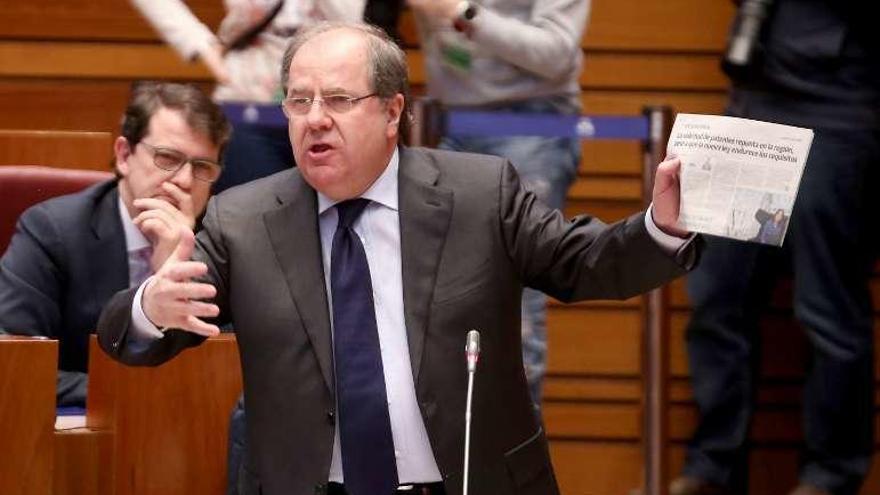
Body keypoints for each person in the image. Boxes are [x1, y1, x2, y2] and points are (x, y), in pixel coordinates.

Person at [97, 22, 698, 495]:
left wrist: (662, 227)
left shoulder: (478, 194)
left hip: (465, 483)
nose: (314, 120)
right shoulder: (243, 219)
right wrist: (153, 303)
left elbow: (586, 263)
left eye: (337, 99)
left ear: (392, 112)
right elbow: (129, 338)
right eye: (298, 101)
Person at [674, 1, 880, 494]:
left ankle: (830, 475)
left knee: (825, 309)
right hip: (753, 101)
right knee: (716, 299)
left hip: (840, 107)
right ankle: (712, 469)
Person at [406, 0, 590, 409]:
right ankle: (459, 463)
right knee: (438, 299)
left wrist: (461, 12)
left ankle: (516, 466)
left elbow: (557, 53)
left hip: (530, 123)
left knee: (516, 302)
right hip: (447, 121)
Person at [0, 81, 230, 407]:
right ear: (124, 155)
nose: (183, 180)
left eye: (202, 167)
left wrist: (177, 268)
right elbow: (13, 362)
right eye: (167, 158)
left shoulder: (225, 240)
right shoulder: (54, 231)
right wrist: (131, 394)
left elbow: (232, 373)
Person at [128, 0, 374, 193]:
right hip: (249, 108)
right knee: (253, 234)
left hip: (333, 106)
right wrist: (196, 42)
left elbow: (351, 19)